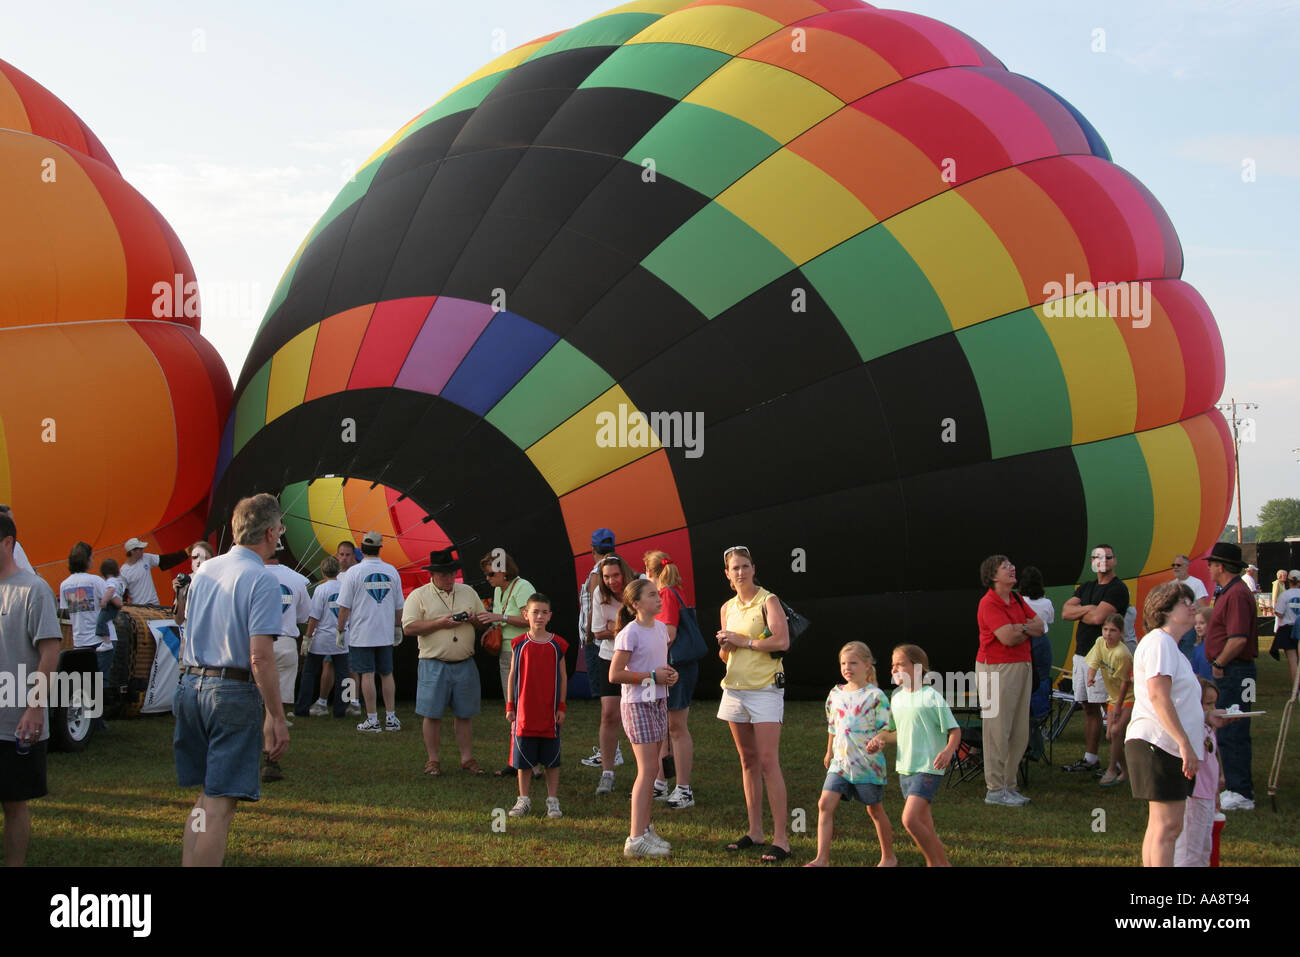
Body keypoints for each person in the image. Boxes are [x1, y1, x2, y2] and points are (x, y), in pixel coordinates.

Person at [173, 493, 288, 866]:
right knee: (221, 806)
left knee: (207, 798)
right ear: (270, 532)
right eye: (280, 528)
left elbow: (186, 628)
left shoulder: (204, 571)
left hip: (191, 685)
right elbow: (260, 656)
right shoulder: (261, 579)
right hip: (231, 691)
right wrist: (277, 715)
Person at [716, 546, 791, 863]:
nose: (741, 572)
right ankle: (755, 831)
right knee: (747, 762)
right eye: (735, 568)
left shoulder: (768, 600)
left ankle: (781, 840)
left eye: (745, 566)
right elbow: (726, 655)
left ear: (753, 568)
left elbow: (782, 641)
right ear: (728, 574)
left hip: (765, 689)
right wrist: (725, 645)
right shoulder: (727, 607)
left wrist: (744, 641)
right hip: (734, 689)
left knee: (768, 761)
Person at [1124, 581, 1202, 867]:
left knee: (1163, 827)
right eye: (1185, 602)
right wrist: (1184, 743)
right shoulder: (1159, 641)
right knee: (1167, 828)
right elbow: (1158, 695)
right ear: (1165, 609)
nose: (1192, 606)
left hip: (1162, 743)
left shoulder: (1170, 647)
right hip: (1158, 743)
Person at [0, 512, 61, 865]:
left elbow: (50, 651)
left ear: (8, 542)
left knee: (14, 801)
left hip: (15, 723)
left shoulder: (33, 589)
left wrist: (35, 708)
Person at [868, 644, 960, 867]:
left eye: (900, 664)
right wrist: (879, 740)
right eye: (892, 665)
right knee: (925, 825)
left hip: (928, 767)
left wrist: (948, 751)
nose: (894, 669)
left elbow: (955, 731)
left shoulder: (931, 697)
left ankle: (935, 862)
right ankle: (941, 863)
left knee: (909, 819)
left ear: (918, 668)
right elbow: (895, 732)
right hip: (905, 768)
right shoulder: (897, 698)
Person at [806, 641, 894, 868]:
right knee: (824, 804)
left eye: (853, 663)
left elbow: (887, 728)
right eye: (843, 663)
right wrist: (829, 752)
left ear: (867, 665)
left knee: (874, 809)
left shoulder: (876, 696)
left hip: (867, 764)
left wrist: (879, 741)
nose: (847, 667)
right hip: (840, 763)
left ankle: (888, 857)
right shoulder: (835, 693)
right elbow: (833, 726)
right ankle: (822, 859)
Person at [401, 548, 486, 774]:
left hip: (464, 662)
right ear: (433, 575)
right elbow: (408, 627)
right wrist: (440, 623)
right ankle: (433, 760)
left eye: (451, 574)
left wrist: (474, 619)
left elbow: (484, 621)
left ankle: (467, 758)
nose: (448, 578)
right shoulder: (418, 595)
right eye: (443, 574)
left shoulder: (468, 591)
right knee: (431, 714)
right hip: (433, 663)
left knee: (465, 714)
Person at [609, 578, 678, 858]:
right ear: (635, 604)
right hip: (638, 705)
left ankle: (645, 828)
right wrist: (651, 677)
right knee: (648, 770)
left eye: (657, 593)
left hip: (659, 701)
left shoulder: (661, 629)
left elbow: (658, 665)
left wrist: (668, 674)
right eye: (651, 595)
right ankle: (635, 839)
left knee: (653, 770)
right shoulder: (629, 633)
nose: (658, 598)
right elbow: (615, 674)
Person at [975, 554, 1043, 806]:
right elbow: (1007, 638)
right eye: (1006, 567)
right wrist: (1024, 628)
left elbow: (1040, 626)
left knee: (1018, 730)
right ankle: (995, 789)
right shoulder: (989, 604)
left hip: (1022, 665)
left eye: (1012, 565)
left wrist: (1020, 627)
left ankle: (1009, 785)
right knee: (997, 729)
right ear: (993, 576)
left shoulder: (1015, 598)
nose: (1013, 569)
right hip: (996, 668)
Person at [1061, 544, 1130, 775]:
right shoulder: (1086, 587)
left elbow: (1099, 617)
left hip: (1105, 658)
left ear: (1114, 560)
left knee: (1109, 709)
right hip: (1082, 655)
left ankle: (1120, 763)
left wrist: (1082, 610)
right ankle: (1091, 758)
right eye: (1098, 557)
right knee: (1088, 707)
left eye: (1108, 557)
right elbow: (1065, 612)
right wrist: (1088, 609)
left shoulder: (1118, 589)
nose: (1103, 562)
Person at [1203, 542, 1258, 811]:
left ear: (1221, 566)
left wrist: (1219, 662)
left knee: (1233, 727)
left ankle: (1240, 791)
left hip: (1235, 669)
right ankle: (1238, 786)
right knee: (1231, 727)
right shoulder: (1231, 592)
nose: (1209, 569)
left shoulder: (1235, 595)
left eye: (1211, 564)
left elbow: (1238, 639)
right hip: (1235, 670)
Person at [504, 594, 567, 819]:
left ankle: (552, 800)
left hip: (549, 712)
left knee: (551, 760)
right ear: (526, 615)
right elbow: (512, 675)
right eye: (535, 612)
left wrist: (561, 707)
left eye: (544, 612)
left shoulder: (557, 644)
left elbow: (563, 676)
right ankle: (523, 799)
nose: (539, 616)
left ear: (549, 616)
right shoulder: (519, 643)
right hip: (525, 713)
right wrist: (510, 705)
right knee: (523, 760)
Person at [337, 531, 404, 735]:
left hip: (361, 633)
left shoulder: (354, 573)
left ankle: (373, 719)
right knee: (386, 673)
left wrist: (340, 629)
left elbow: (344, 606)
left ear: (362, 549)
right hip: (384, 631)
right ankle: (391, 717)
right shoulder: (391, 570)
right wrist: (396, 626)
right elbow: (399, 605)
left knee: (367, 674)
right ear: (379, 547)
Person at [647, 550, 697, 809]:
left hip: (675, 667)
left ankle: (684, 789)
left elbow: (668, 634)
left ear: (650, 573)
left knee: (676, 727)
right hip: (677, 667)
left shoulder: (666, 594)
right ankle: (659, 783)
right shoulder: (677, 591)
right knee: (665, 727)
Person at [586, 554, 637, 793]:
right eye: (606, 577)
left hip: (638, 658)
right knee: (609, 714)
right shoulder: (600, 594)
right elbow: (597, 631)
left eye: (615, 575)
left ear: (624, 573)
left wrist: (613, 628)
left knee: (639, 714)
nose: (611, 581)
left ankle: (650, 772)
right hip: (610, 657)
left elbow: (648, 623)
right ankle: (607, 772)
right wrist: (626, 629)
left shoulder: (639, 587)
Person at [58, 542, 114, 732]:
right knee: (99, 682)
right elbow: (109, 602)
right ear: (87, 559)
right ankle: (97, 723)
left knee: (83, 683)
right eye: (91, 557)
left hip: (79, 639)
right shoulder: (97, 581)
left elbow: (67, 611)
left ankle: (89, 721)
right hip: (100, 639)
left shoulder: (64, 584)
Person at [1173, 678, 1229, 867]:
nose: (1212, 709)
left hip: (1207, 796)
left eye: (1214, 703)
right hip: (1193, 797)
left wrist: (1216, 794)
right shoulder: (1189, 731)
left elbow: (1213, 759)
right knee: (1189, 851)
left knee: (1204, 849)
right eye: (1207, 704)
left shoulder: (1207, 729)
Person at [578, 528, 621, 769]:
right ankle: (613, 749)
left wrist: (588, 637)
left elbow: (596, 611)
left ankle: (611, 751)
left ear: (592, 551)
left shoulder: (598, 573)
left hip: (599, 643)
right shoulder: (616, 571)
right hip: (604, 640)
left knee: (608, 704)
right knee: (612, 704)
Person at [264, 554, 311, 744]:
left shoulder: (249, 573)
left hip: (259, 639)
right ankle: (279, 718)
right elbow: (304, 615)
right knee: (282, 684)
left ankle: (265, 722)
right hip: (286, 639)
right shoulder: (297, 579)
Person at [298, 556, 351, 719]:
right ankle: (341, 710)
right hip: (342, 636)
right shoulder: (345, 587)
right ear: (339, 570)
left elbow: (314, 616)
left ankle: (302, 708)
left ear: (322, 571)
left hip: (321, 637)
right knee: (343, 674)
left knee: (309, 673)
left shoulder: (321, 590)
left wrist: (307, 637)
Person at [478, 549, 534, 702]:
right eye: (486, 574)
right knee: (510, 701)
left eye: (491, 574)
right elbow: (501, 619)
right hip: (505, 651)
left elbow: (531, 620)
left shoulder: (523, 586)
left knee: (525, 700)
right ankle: (515, 726)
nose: (487, 578)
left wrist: (500, 617)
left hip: (523, 650)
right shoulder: (497, 590)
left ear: (504, 571)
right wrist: (491, 628)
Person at [1086, 613, 1134, 786]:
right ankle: (1127, 771)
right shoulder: (1100, 642)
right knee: (1110, 735)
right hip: (1113, 697)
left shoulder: (1122, 654)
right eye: (1105, 629)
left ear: (1120, 633)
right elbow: (1094, 661)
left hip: (1128, 697)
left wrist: (1118, 707)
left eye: (1112, 630)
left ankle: (1112, 769)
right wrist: (1091, 676)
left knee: (1115, 732)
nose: (1108, 634)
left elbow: (1125, 684)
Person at [1018, 565, 1055, 747]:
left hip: (1025, 640)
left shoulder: (1018, 601)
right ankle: (1039, 721)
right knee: (1041, 680)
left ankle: (1023, 722)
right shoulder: (1046, 603)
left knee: (1023, 680)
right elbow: (1049, 620)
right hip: (1041, 642)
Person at [119, 536, 187, 607]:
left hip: (154, 605)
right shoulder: (124, 571)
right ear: (132, 551)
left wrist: (185, 553)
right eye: (140, 549)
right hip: (139, 608)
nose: (143, 550)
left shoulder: (146, 558)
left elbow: (165, 560)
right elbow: (123, 595)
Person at [335, 539, 361, 716]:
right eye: (341, 555)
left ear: (354, 556)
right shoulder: (335, 577)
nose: (344, 558)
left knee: (351, 667)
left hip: (352, 628)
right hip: (336, 627)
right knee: (333, 666)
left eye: (347, 555)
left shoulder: (355, 575)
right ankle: (336, 701)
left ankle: (354, 701)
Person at [1270, 569, 1300, 686]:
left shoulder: (1285, 595)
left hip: (1287, 629)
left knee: (1292, 660)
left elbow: (1279, 613)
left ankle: (1296, 689)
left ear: (1289, 581)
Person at [94, 557, 126, 646]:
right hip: (114, 609)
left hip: (110, 607)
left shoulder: (110, 581)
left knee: (100, 622)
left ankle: (106, 641)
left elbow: (111, 590)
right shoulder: (118, 581)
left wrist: (104, 601)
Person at [0, 505, 34, 573]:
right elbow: (28, 575)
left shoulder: (16, 546)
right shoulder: (15, 546)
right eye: (10, 521)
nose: (14, 524)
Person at [1190, 606, 1215, 680]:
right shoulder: (1197, 648)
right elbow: (1195, 673)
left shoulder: (1218, 646)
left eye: (1202, 623)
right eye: (1195, 624)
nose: (1197, 627)